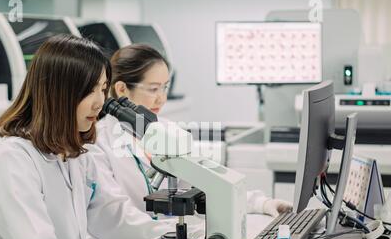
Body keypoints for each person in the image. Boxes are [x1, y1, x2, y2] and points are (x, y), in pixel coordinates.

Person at [0, 35, 193, 239]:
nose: (100, 102)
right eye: (90, 90)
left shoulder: (76, 154)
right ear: (58, 92)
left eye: (102, 89)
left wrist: (176, 235)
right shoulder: (11, 161)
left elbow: (113, 217)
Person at [88, 44, 292, 220]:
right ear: (122, 90)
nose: (162, 98)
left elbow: (207, 182)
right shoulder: (100, 142)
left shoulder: (167, 129)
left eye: (165, 88)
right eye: (153, 89)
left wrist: (261, 203)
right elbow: (114, 218)